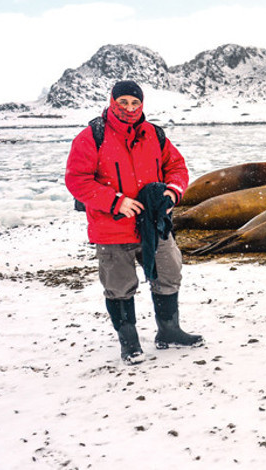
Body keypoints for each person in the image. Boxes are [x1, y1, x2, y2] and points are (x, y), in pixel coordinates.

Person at [65, 80, 202, 364]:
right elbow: (77, 180)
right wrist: (115, 202)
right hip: (112, 227)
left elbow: (176, 167)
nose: (129, 108)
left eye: (135, 103)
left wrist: (173, 191)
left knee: (169, 273)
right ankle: (129, 343)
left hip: (154, 223)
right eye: (123, 102)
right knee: (119, 285)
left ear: (142, 104)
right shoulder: (92, 136)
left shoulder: (154, 134)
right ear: (112, 102)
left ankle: (169, 331)